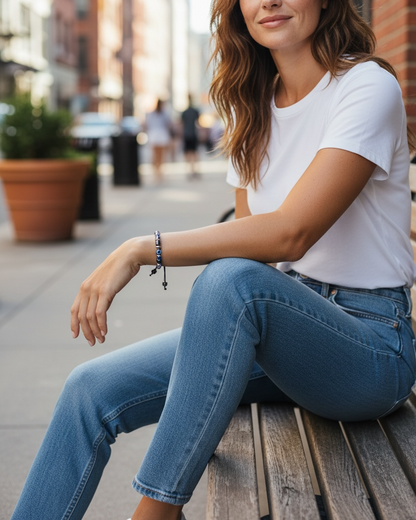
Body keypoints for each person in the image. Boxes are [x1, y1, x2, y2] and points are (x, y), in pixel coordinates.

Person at [11, 1, 416, 520]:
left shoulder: (365, 87)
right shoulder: (252, 107)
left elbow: (290, 235)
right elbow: (251, 245)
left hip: (370, 350)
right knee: (88, 391)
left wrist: (141, 249)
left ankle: (155, 512)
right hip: (284, 334)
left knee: (232, 281)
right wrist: (205, 390)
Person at [144, 99, 172, 182]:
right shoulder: (164, 114)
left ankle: (157, 171)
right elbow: (168, 124)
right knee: (161, 155)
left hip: (154, 135)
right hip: (161, 134)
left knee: (155, 155)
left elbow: (147, 124)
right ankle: (159, 171)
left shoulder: (152, 114)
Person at [181, 96, 200, 179]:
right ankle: (193, 170)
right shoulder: (194, 111)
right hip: (192, 134)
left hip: (187, 134)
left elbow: (181, 124)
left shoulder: (185, 112)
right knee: (194, 153)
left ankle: (190, 170)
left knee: (188, 153)